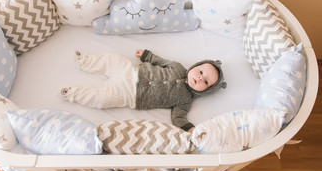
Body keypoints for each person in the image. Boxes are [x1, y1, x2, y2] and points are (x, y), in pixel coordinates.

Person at [60, 49, 226, 133]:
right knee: (113, 59)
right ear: (196, 66)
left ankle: (73, 93)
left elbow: (178, 117)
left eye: (205, 82)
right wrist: (146, 55)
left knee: (101, 99)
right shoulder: (178, 67)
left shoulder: (185, 100)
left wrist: (187, 127)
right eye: (201, 72)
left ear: (205, 91)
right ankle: (86, 61)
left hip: (129, 95)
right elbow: (160, 61)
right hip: (131, 71)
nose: (199, 78)